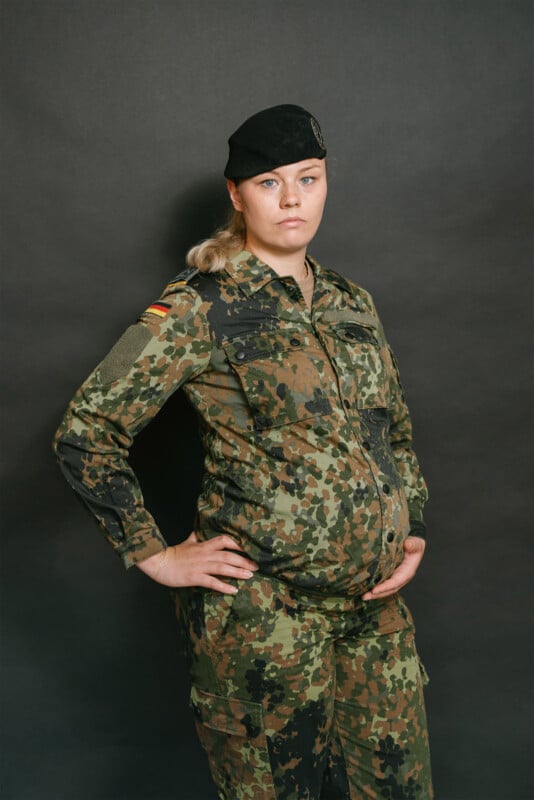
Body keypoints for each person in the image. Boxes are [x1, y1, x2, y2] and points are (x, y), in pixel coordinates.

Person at [53, 104, 433, 799]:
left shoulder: (352, 304)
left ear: (326, 183)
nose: (292, 199)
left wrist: (410, 526)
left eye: (308, 178)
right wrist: (153, 552)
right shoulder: (203, 306)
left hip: (373, 616)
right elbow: (88, 431)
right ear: (236, 194)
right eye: (268, 183)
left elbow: (392, 428)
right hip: (265, 623)